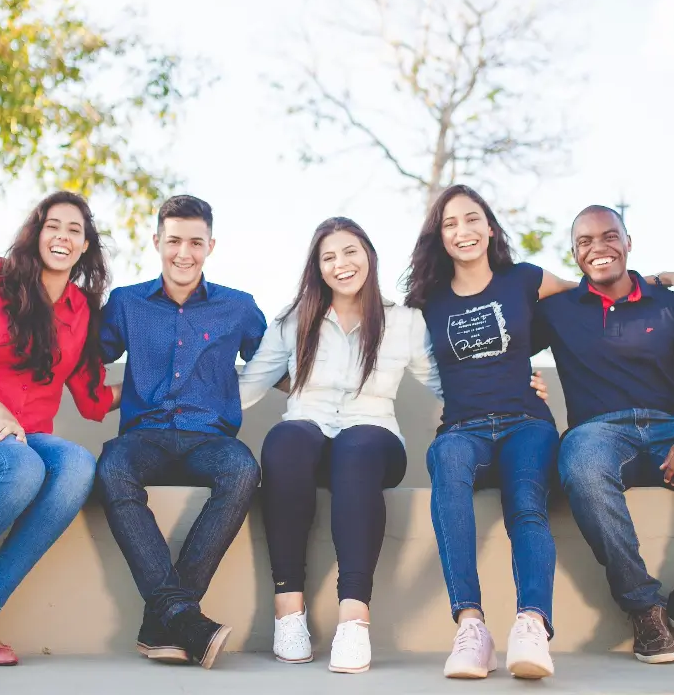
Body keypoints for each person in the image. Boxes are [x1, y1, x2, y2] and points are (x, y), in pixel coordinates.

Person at [238, 215, 547, 674]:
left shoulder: (404, 322)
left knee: (357, 449)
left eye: (350, 252)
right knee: (284, 440)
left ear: (369, 257)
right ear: (317, 268)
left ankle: (354, 618)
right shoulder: (293, 320)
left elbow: (450, 383)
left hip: (373, 439)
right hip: (307, 434)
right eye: (328, 257)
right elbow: (248, 386)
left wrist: (512, 388)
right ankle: (289, 611)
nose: (341, 264)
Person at [405, 184, 575, 681]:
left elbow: (591, 296)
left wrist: (652, 280)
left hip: (527, 423)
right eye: (451, 223)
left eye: (472, 219)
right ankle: (471, 626)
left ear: (490, 227)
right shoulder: (426, 301)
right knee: (449, 463)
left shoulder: (523, 279)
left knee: (525, 501)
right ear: (439, 237)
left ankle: (531, 624)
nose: (464, 231)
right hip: (463, 428)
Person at [95, 195, 266, 670]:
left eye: (195, 242)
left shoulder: (238, 307)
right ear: (157, 242)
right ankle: (184, 618)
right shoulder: (127, 302)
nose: (183, 253)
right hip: (142, 437)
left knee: (243, 469)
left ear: (211, 245)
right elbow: (85, 356)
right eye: (174, 241)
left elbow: (278, 360)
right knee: (111, 468)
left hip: (209, 440)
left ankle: (166, 620)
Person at [532, 204, 674, 664]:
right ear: (574, 254)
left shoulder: (667, 304)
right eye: (585, 242)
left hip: (667, 427)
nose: (599, 248)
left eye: (609, 236)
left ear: (628, 242)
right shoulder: (557, 310)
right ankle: (645, 610)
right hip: (599, 433)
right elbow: (498, 338)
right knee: (583, 467)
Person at [0, 192, 121, 666]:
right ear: (36, 232)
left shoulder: (82, 308)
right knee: (24, 468)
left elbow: (92, 400)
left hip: (29, 435)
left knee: (77, 467)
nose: (62, 236)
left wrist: (161, 381)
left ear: (85, 246)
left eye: (74, 230)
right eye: (54, 225)